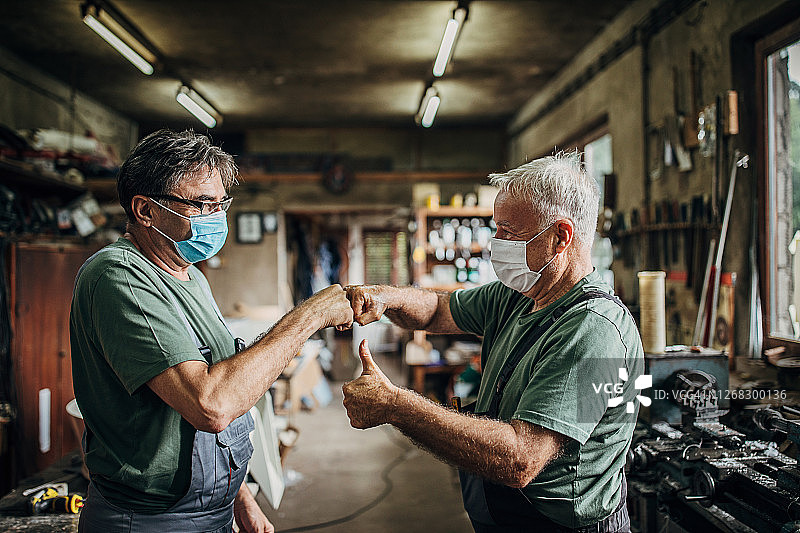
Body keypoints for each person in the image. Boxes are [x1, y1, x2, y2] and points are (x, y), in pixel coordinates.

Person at [70, 129, 353, 533]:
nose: (217, 216)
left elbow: (213, 394)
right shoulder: (119, 277)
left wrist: (238, 497)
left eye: (221, 203)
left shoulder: (190, 276)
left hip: (210, 511)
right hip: (153, 520)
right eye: (203, 204)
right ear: (145, 210)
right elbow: (211, 405)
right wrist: (309, 316)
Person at [342, 152, 642, 533]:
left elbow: (520, 459)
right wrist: (384, 298)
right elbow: (438, 309)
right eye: (496, 228)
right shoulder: (521, 294)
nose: (494, 243)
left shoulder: (593, 330)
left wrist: (396, 405)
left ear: (560, 237)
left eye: (508, 232)